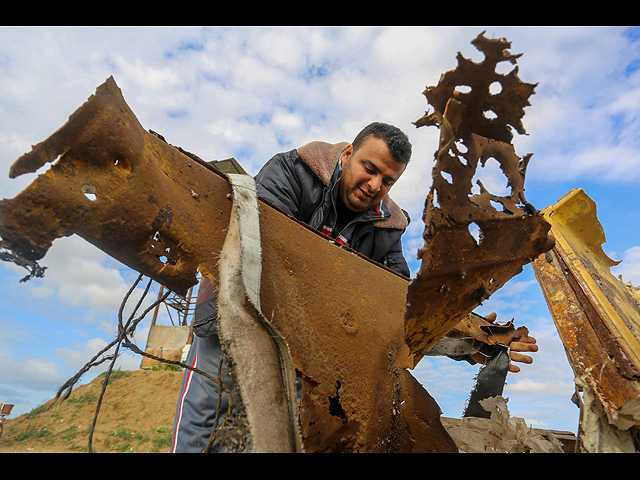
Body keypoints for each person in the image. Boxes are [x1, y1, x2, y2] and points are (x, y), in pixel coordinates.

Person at [170, 122, 537, 452]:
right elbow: (272, 255)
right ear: (347, 155)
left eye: (388, 180)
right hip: (234, 316)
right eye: (370, 168)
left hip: (303, 346)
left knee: (284, 433)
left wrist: (470, 340)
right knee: (207, 419)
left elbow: (399, 306)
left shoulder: (387, 229)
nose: (375, 185)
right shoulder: (290, 172)